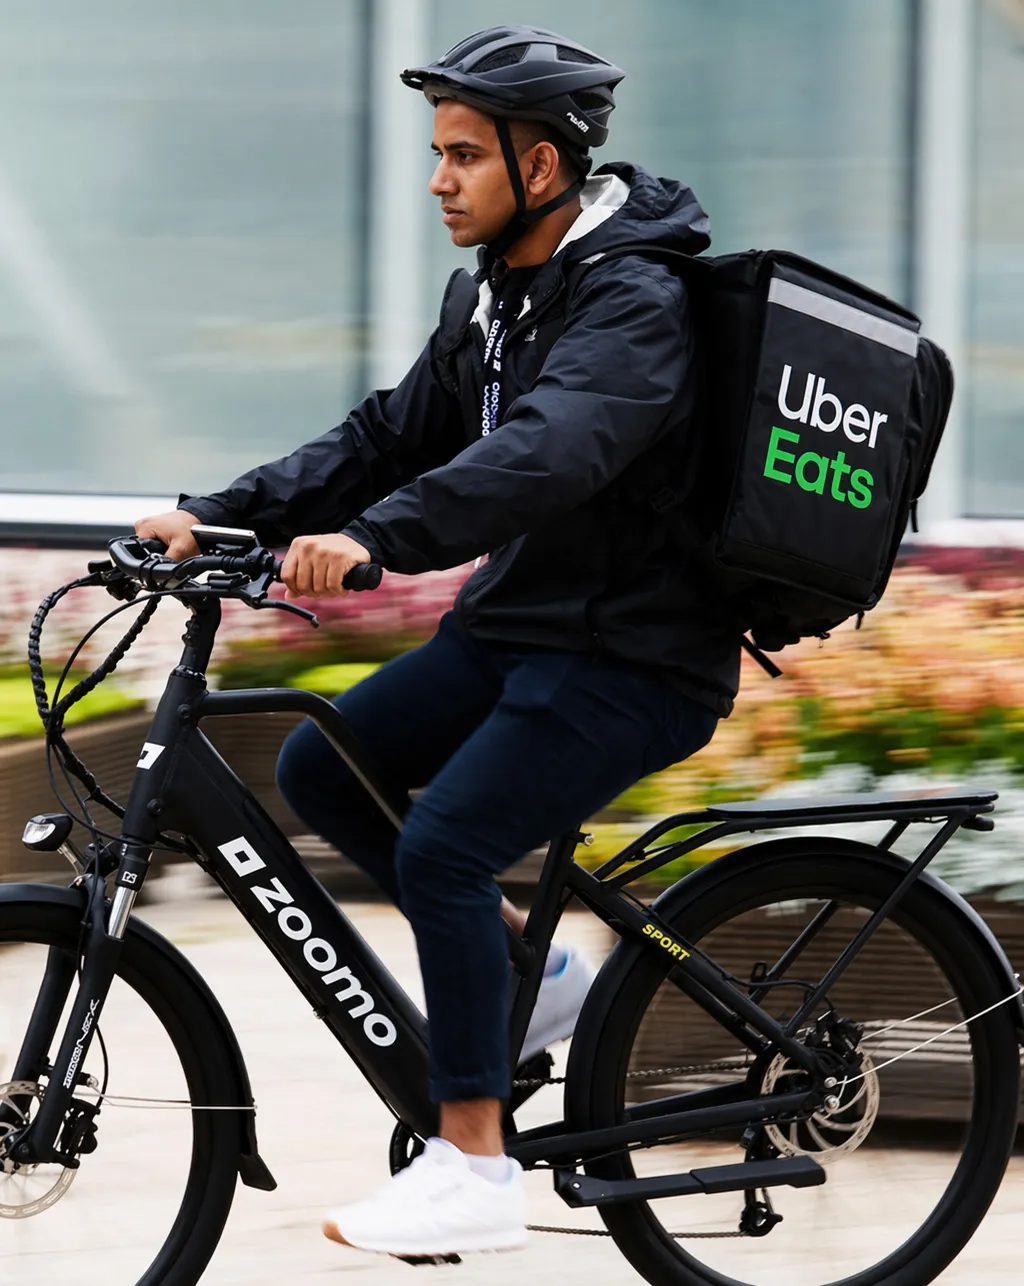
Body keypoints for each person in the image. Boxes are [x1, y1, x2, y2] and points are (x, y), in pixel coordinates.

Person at [136, 23, 740, 1260]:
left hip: (635, 654)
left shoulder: (636, 297)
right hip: (524, 626)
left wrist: (376, 541)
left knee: (449, 846)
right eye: (436, 152)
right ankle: (541, 982)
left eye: (463, 155)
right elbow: (388, 432)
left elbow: (552, 449)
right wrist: (216, 516)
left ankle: (475, 1161)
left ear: (545, 164)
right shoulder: (500, 294)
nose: (436, 180)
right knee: (321, 767)